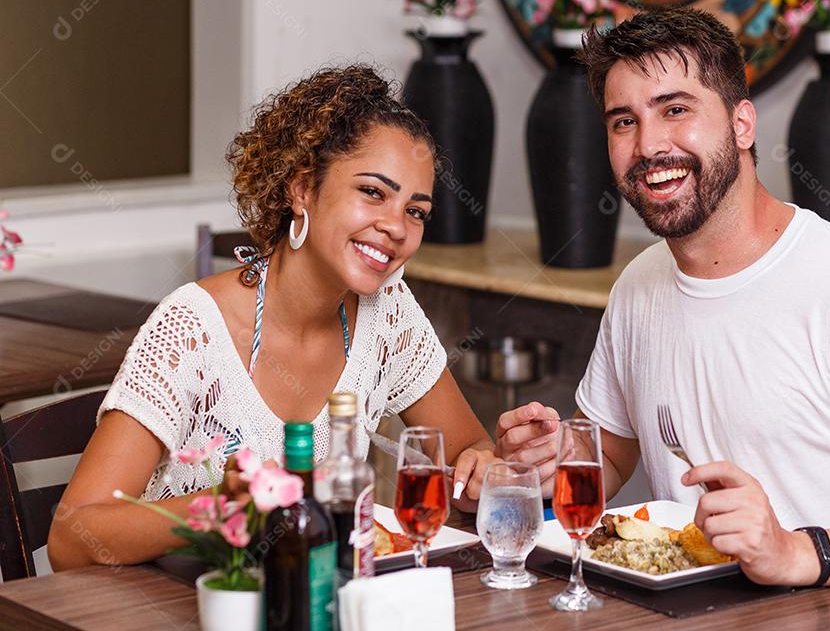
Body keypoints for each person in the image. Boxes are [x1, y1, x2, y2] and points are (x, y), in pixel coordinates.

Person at [498, 8, 830, 605]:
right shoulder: (641, 285)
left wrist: (792, 551)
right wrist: (556, 457)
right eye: (624, 121)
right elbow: (614, 452)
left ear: (742, 124)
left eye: (676, 110)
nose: (650, 145)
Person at [49, 65, 504, 569]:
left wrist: (480, 470)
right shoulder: (194, 328)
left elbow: (469, 449)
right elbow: (72, 539)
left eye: (416, 211)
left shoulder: (387, 312)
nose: (396, 227)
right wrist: (223, 508)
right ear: (302, 188)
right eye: (373, 192)